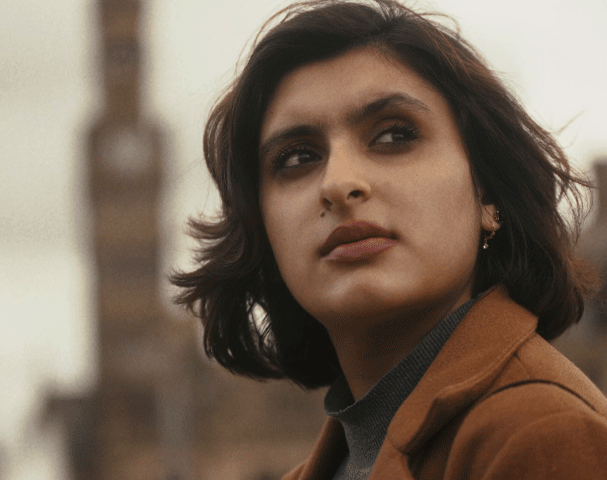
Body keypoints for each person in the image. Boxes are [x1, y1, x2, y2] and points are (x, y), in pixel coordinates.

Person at [170, 0, 607, 478]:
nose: (338, 183)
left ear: (488, 192)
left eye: (394, 135)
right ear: (264, 231)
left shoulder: (541, 436)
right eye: (297, 158)